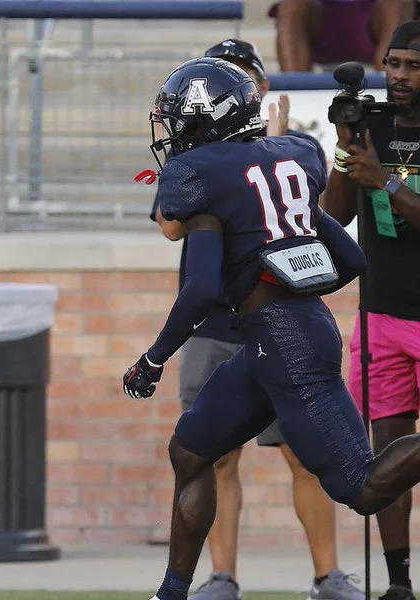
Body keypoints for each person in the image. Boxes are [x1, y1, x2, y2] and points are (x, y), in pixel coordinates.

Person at [122, 56, 420, 600]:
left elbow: (202, 288)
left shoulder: (200, 174)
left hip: (284, 342)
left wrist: (154, 357)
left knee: (362, 487)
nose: (168, 131)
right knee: (190, 452)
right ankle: (170, 592)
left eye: (174, 118)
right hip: (281, 334)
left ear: (202, 118)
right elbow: (350, 259)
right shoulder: (295, 154)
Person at [166, 39, 360, 600]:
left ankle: (329, 575)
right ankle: (220, 577)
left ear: (257, 89)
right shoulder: (197, 161)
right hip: (216, 323)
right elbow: (170, 225)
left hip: (279, 314)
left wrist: (268, 155)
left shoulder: (289, 150)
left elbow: (333, 222)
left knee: (306, 451)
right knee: (210, 455)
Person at [321, 19, 420, 600]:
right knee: (388, 456)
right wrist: (347, 156)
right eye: (393, 64)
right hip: (381, 314)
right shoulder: (372, 124)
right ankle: (399, 583)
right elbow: (336, 217)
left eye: (411, 66)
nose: (398, 76)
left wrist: (384, 180)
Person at [269, 0, 412, 72]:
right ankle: (294, 96)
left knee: (398, 5)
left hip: (378, 16)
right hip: (321, 17)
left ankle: (392, 96)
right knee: (292, 6)